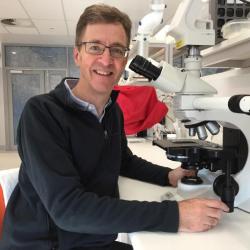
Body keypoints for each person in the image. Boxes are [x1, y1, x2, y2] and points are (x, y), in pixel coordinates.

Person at [0, 4, 229, 250]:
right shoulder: (43, 113)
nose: (106, 60)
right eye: (95, 47)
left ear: (125, 59)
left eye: (117, 50)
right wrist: (175, 215)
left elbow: (123, 161)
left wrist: (167, 176)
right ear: (77, 55)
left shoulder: (112, 111)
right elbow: (68, 210)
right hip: (45, 244)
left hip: (89, 236)